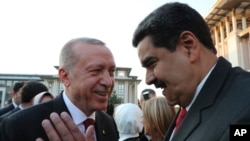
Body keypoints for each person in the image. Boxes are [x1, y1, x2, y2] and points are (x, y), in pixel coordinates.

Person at [132, 2, 250, 141]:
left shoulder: (244, 107)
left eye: (152, 64)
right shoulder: (188, 107)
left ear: (189, 46)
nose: (148, 79)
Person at [0, 37, 119, 141]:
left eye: (111, 72)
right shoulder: (18, 126)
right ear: (65, 76)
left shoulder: (108, 123)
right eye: (96, 71)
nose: (108, 81)